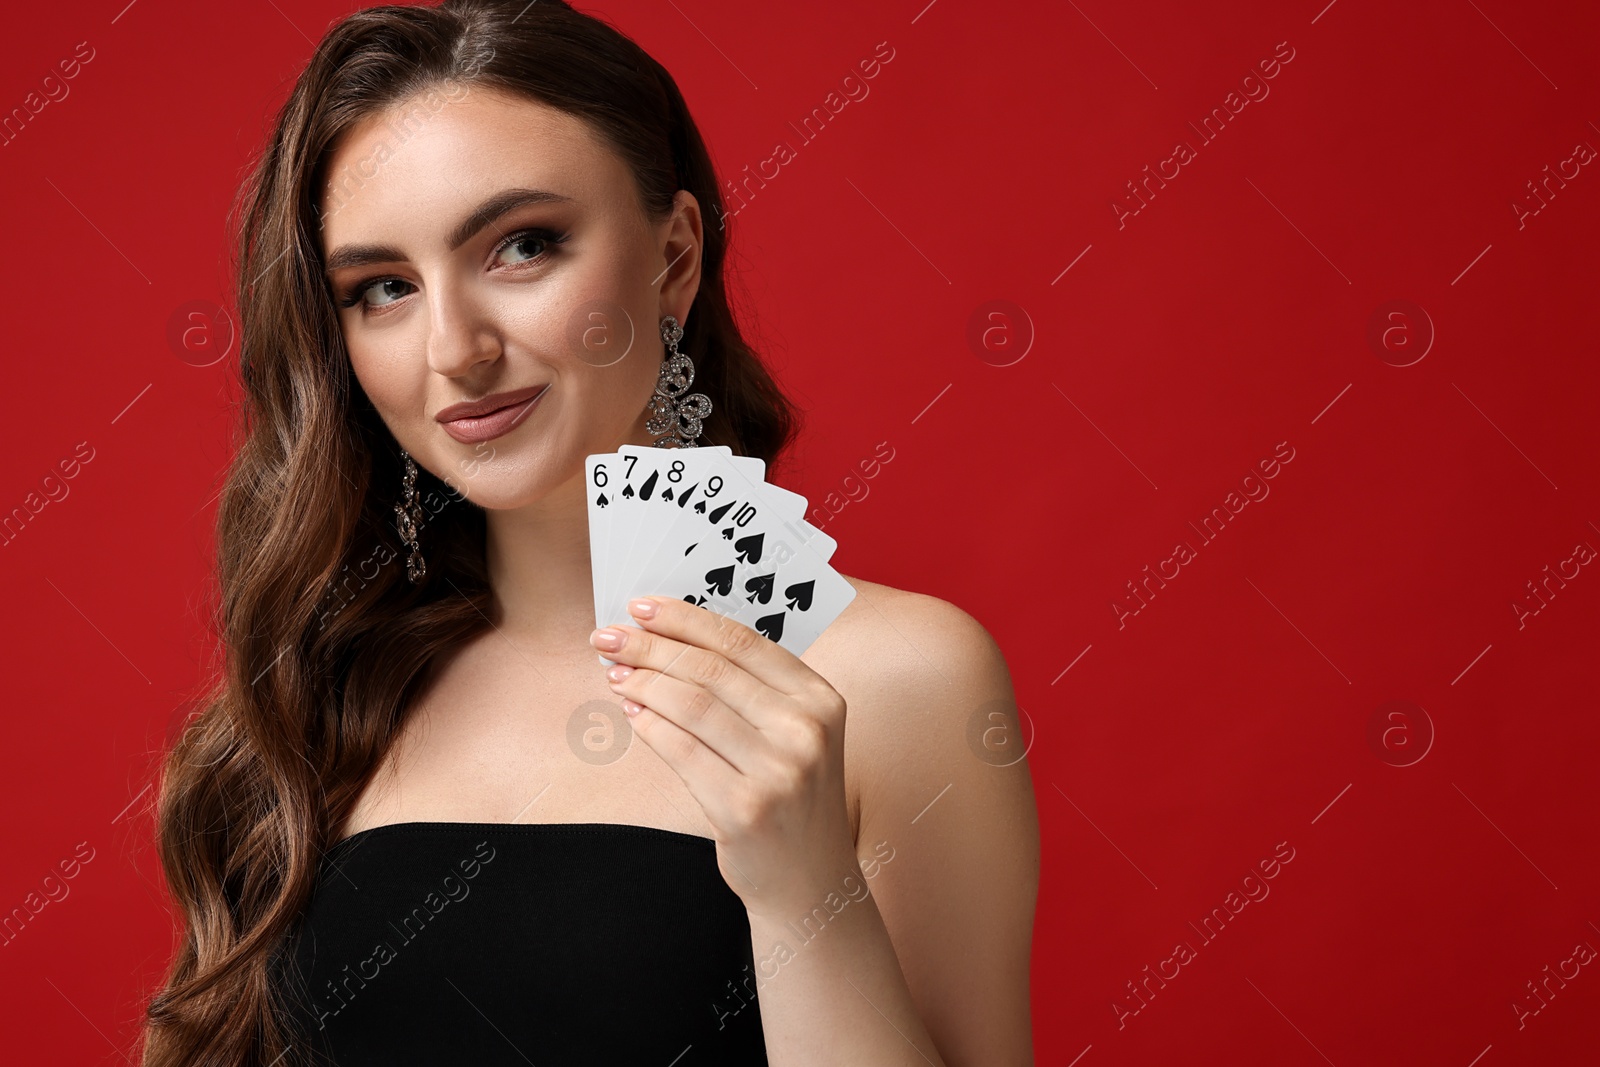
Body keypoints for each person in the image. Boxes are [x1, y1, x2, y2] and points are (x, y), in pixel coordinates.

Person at [137, 2, 1039, 1064]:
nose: (454, 347)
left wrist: (801, 887)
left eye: (522, 246)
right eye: (382, 288)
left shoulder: (898, 680)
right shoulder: (328, 688)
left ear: (673, 257)